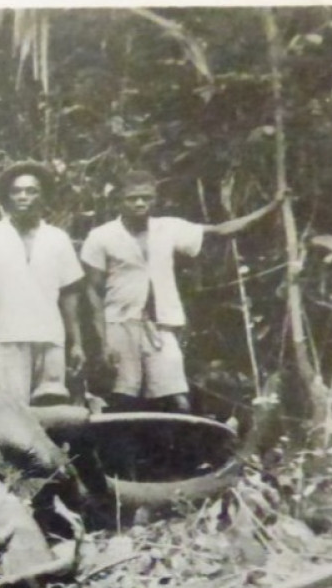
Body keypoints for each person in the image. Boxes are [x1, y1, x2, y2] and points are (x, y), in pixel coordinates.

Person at [81, 169, 283, 413]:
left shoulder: (167, 228)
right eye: (132, 198)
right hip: (120, 322)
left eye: (146, 197)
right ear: (118, 201)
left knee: (176, 394)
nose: (140, 203)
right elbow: (93, 290)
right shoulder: (101, 236)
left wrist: (273, 206)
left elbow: (220, 230)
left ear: (155, 199)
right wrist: (103, 341)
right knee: (122, 394)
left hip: (161, 323)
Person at [0, 162, 86, 405]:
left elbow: (70, 295)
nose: (23, 197)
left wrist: (77, 343)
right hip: (6, 337)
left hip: (49, 337)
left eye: (31, 191)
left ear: (44, 197)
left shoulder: (57, 239)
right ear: (7, 197)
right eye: (16, 191)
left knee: (51, 410)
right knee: (9, 411)